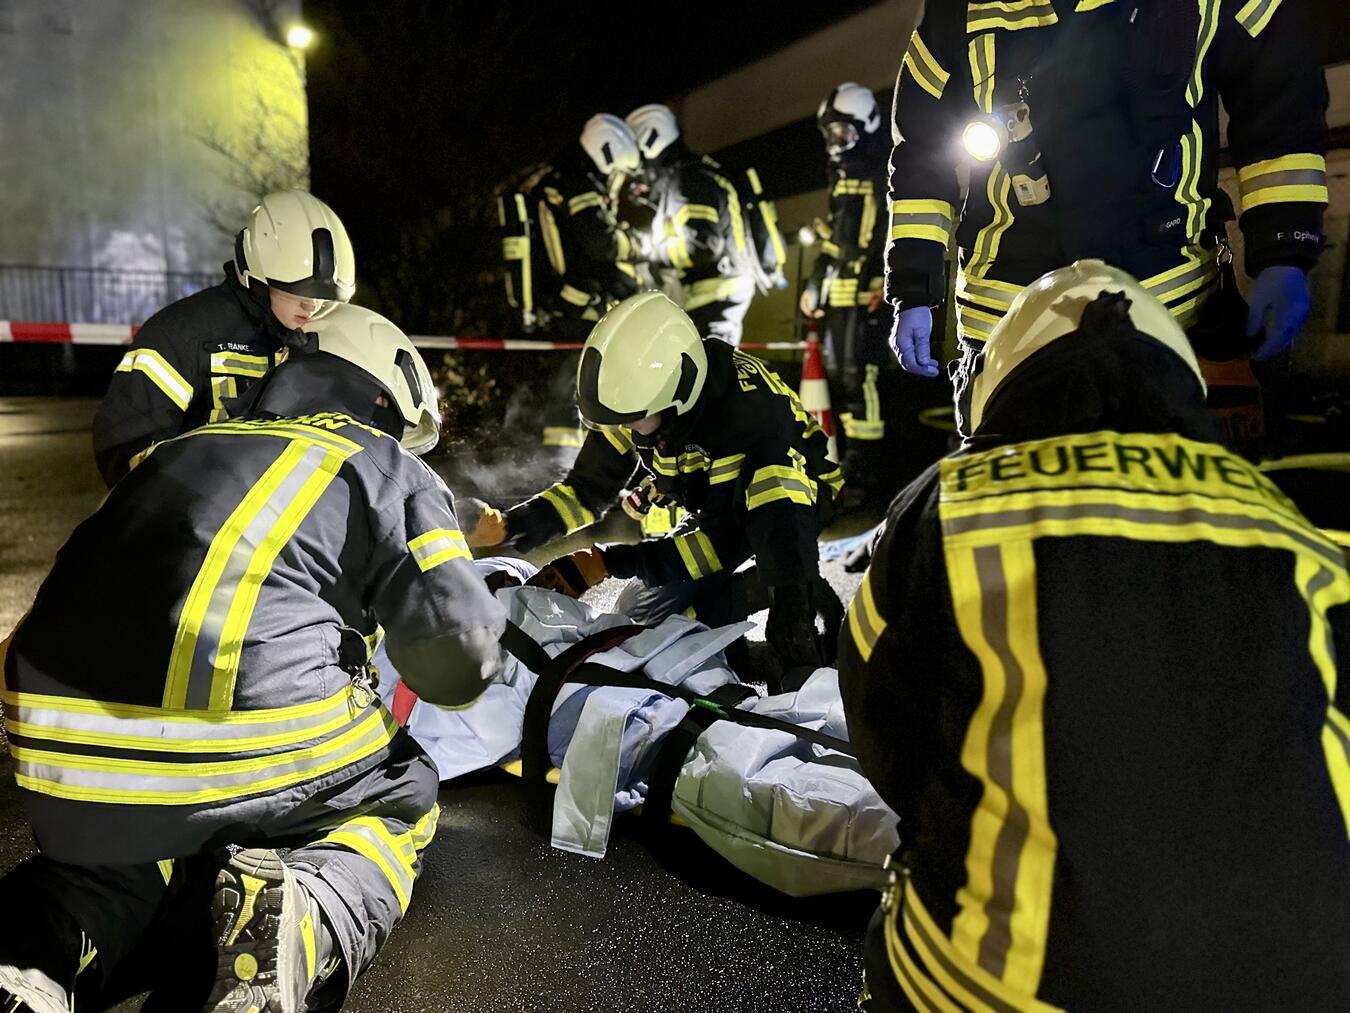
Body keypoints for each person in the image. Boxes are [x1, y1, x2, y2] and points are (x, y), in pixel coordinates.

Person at [839, 261, 1350, 1012]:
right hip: (1306, 974)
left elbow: (881, 726)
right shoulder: (1285, 516)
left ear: (1004, 380)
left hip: (1013, 982)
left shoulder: (951, 498)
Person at [0, 304, 506, 1012]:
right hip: (235, 720)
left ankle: (27, 960)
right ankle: (306, 916)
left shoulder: (178, 447)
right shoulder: (385, 463)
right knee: (404, 789)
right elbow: (461, 659)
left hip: (53, 740)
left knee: (126, 843)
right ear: (383, 400)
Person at [884, 0, 1329, 439]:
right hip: (1007, 328)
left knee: (1163, 486)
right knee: (1016, 488)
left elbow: (1280, 103)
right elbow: (921, 158)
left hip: (1169, 315)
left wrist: (1284, 249)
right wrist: (913, 289)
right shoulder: (957, 11)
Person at [486, 291, 844, 680]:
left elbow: (716, 546)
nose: (623, 430)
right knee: (639, 618)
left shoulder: (743, 422)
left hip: (790, 503)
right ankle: (745, 598)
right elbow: (587, 489)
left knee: (779, 616)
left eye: (630, 420)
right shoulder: (643, 400)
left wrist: (607, 562)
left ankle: (789, 594)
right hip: (719, 504)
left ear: (679, 394)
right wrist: (512, 525)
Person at [92, 189, 356, 486]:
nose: (313, 305)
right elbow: (126, 449)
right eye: (298, 291)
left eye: (323, 296)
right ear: (257, 276)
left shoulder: (325, 339)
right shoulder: (181, 332)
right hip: (198, 511)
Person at [502, 114, 643, 454]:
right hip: (580, 306)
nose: (617, 181)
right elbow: (600, 243)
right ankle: (564, 463)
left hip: (569, 304)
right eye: (617, 172)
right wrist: (636, 244)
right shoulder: (580, 184)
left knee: (575, 388)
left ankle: (568, 461)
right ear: (607, 154)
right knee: (574, 389)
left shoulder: (559, 180)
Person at [800, 83, 894, 511]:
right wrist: (815, 284)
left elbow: (890, 231)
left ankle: (866, 475)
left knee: (863, 380)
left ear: (867, 126)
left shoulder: (883, 171)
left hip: (866, 293)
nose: (836, 141)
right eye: (831, 133)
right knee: (841, 380)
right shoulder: (841, 177)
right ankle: (848, 468)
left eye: (844, 131)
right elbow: (835, 244)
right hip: (839, 296)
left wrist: (883, 279)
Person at [624, 104, 760, 346]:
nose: (639, 173)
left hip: (715, 294)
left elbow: (701, 246)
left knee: (712, 366)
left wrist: (647, 251)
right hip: (714, 293)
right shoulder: (693, 175)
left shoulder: (688, 181)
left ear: (651, 141)